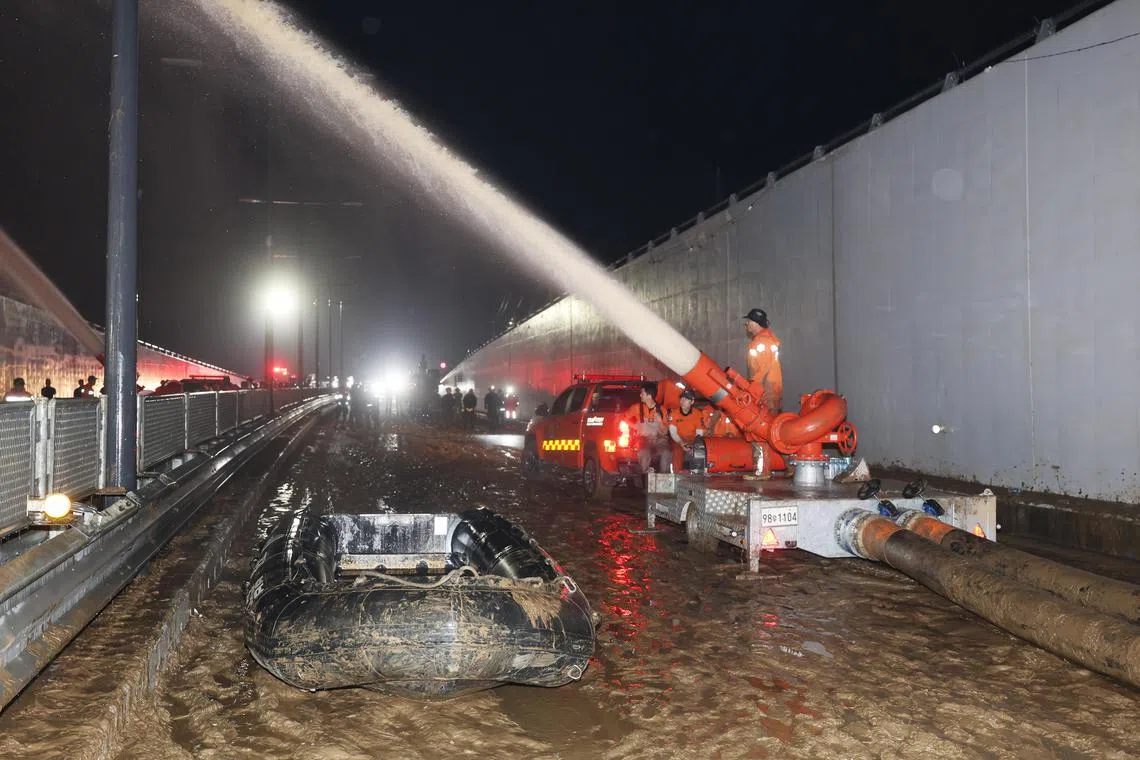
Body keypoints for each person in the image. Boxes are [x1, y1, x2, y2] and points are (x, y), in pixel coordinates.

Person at [624, 381, 671, 474]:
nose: (640, 395)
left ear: (649, 395)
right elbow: (624, 418)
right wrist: (634, 426)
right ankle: (645, 475)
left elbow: (665, 432)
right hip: (643, 439)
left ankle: (664, 477)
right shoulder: (636, 408)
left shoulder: (662, 410)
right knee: (643, 452)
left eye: (642, 393)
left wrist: (660, 421)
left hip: (659, 439)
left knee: (667, 453)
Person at [743, 308, 783, 414]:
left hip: (766, 393)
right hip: (767, 391)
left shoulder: (762, 342)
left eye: (749, 321)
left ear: (756, 323)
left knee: (766, 424)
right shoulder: (763, 340)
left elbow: (763, 370)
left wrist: (753, 390)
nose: (746, 324)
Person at [667, 389, 711, 472]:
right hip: (678, 440)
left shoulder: (698, 414)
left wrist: (693, 445)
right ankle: (677, 475)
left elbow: (699, 433)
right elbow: (673, 432)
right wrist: (681, 442)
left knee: (699, 451)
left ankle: (697, 474)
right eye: (682, 398)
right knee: (677, 452)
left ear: (692, 401)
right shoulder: (673, 414)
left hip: (693, 440)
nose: (682, 401)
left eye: (686, 399)